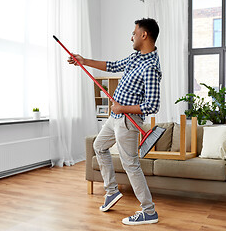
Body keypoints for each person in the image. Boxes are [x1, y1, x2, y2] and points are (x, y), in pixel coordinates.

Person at [68, 18, 161, 225]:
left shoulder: (150, 67)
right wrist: (84, 61)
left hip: (128, 120)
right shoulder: (136, 57)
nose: (132, 37)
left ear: (144, 35)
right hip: (116, 117)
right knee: (99, 146)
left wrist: (122, 108)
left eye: (134, 33)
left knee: (131, 165)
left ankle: (149, 210)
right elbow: (112, 66)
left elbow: (153, 104)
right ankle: (111, 191)